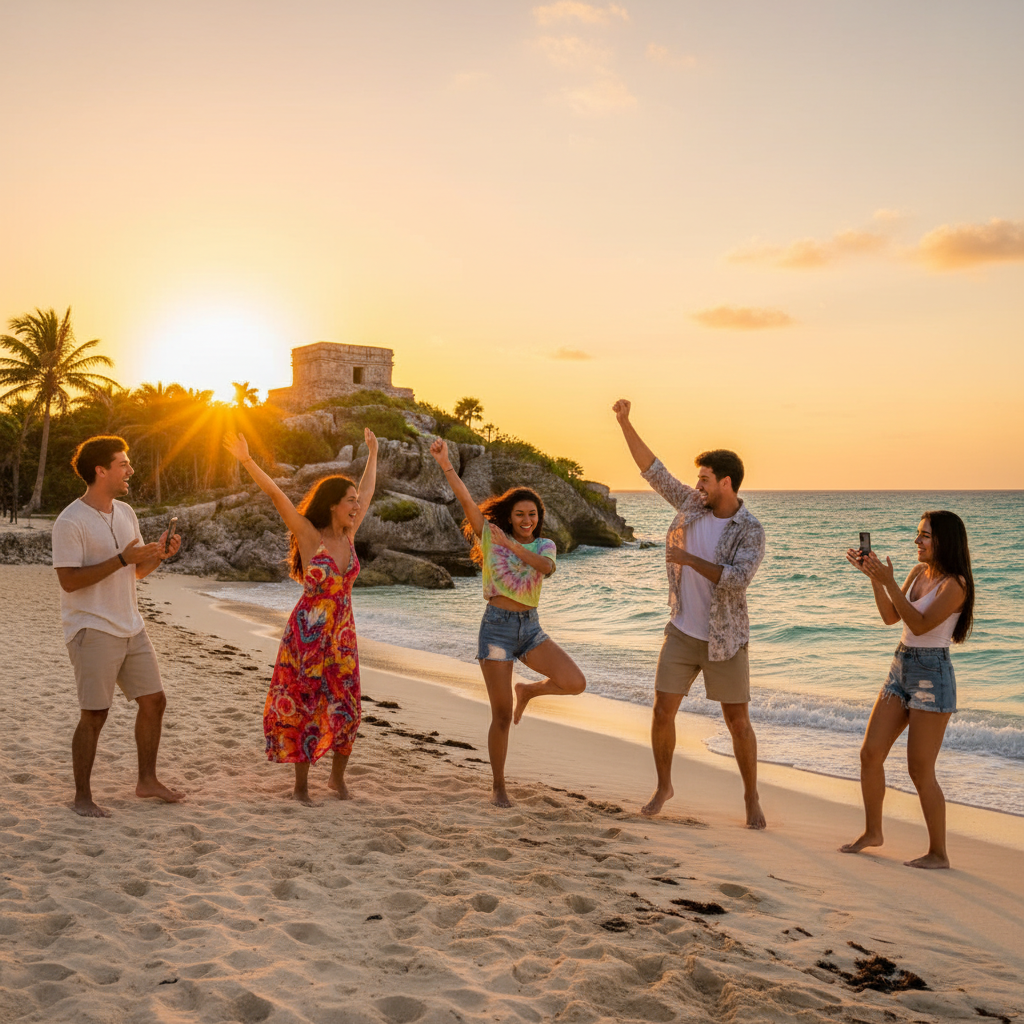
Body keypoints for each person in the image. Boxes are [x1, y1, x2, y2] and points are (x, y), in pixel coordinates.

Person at [612, 400, 767, 828]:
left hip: (725, 638)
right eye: (697, 479)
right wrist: (626, 423)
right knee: (663, 711)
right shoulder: (692, 505)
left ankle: (751, 797)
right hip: (682, 630)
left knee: (738, 723)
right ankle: (664, 786)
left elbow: (737, 579)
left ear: (726, 482)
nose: (696, 485)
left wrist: (689, 559)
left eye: (704, 479)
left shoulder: (750, 529)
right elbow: (654, 470)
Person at [429, 437, 585, 807]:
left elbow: (545, 569)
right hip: (497, 629)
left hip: (530, 629)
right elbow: (466, 500)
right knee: (500, 716)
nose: (527, 520)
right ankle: (498, 786)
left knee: (574, 682)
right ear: (510, 516)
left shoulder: (545, 546)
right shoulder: (489, 537)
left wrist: (514, 546)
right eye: (519, 514)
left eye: (532, 514)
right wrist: (446, 463)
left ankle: (529, 691)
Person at [224, 429, 377, 804]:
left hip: (342, 634)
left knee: (348, 706)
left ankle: (337, 780)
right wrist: (246, 459)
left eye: (356, 501)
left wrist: (373, 454)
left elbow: (369, 491)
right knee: (306, 706)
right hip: (307, 634)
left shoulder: (350, 534)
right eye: (350, 501)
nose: (356, 505)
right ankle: (301, 785)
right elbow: (277, 496)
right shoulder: (311, 536)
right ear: (332, 505)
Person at [52, 435, 185, 818]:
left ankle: (147, 781)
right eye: (123, 464)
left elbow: (137, 570)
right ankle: (82, 797)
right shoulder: (69, 521)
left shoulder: (126, 513)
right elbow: (69, 581)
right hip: (91, 627)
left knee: (154, 701)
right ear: (101, 470)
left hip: (131, 624)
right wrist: (121, 558)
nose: (130, 470)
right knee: (94, 714)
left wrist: (159, 555)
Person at [840, 511, 974, 869]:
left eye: (925, 536)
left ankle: (939, 853)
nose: (917, 541)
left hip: (932, 674)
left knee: (920, 769)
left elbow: (919, 622)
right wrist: (876, 579)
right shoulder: (917, 573)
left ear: (944, 541)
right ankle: (873, 832)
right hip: (900, 666)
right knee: (870, 754)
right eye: (918, 534)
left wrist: (888, 581)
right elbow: (891, 618)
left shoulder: (955, 584)